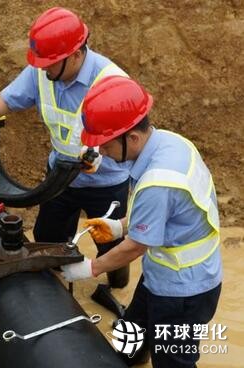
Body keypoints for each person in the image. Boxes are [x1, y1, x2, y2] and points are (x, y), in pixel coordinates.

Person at [0, 7, 131, 287]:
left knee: (111, 245)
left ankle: (117, 285)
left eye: (50, 62)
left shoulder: (112, 82)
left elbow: (129, 138)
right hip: (60, 177)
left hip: (106, 182)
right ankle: (57, 287)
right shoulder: (43, 72)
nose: (43, 68)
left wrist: (100, 154)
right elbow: (10, 97)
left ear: (75, 55)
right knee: (48, 236)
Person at [61, 76, 222, 367]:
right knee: (132, 333)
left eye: (107, 146)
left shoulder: (157, 182)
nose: (103, 154)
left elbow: (135, 247)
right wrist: (119, 226)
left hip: (184, 290)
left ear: (132, 138)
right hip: (163, 275)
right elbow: (166, 213)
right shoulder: (170, 143)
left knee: (172, 360)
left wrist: (90, 268)